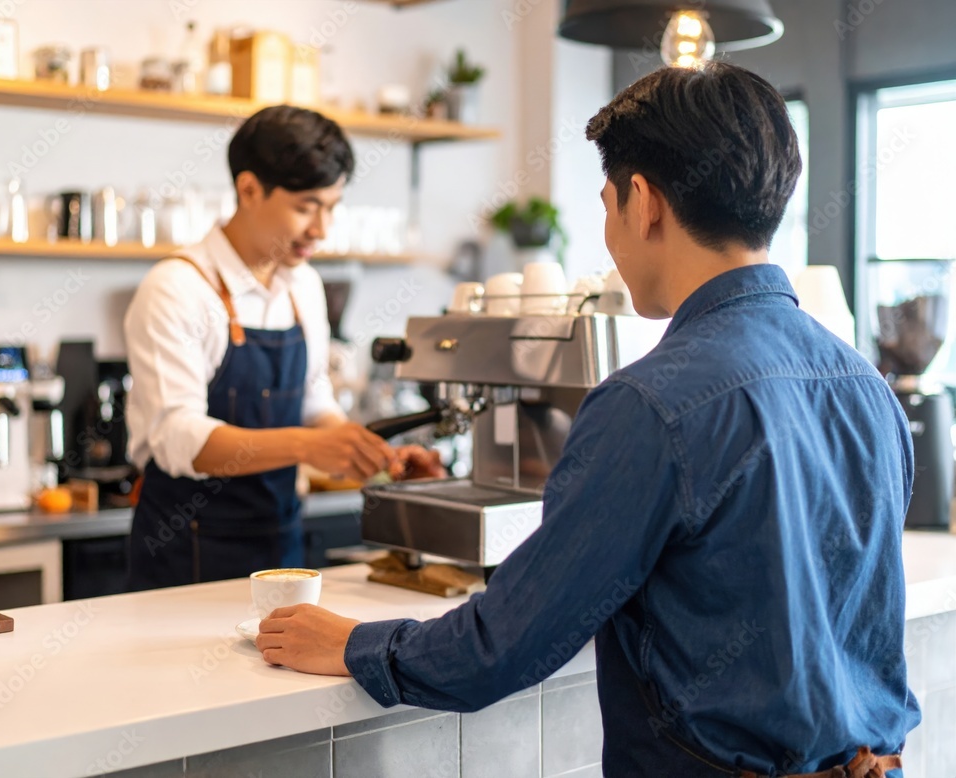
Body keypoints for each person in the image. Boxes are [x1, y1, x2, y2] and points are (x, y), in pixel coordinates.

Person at [252, 64, 921, 776]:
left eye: (606, 203)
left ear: (643, 202)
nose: (608, 231)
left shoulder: (650, 404)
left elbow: (503, 645)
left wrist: (353, 644)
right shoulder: (865, 384)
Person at [125, 106, 442, 591]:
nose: (321, 228)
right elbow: (179, 437)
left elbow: (314, 405)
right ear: (249, 189)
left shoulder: (304, 288)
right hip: (188, 555)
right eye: (306, 206)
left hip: (281, 547)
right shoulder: (178, 288)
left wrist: (371, 454)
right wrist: (311, 445)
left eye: (332, 206)